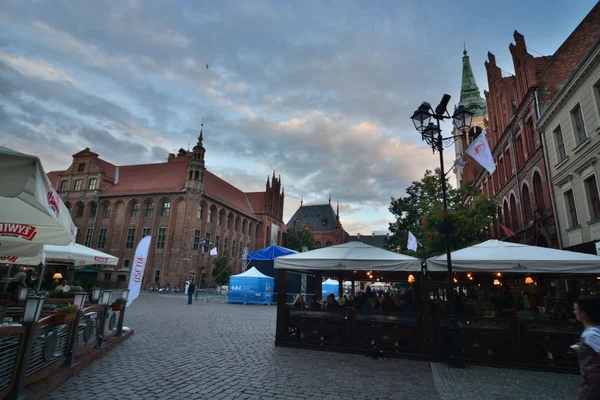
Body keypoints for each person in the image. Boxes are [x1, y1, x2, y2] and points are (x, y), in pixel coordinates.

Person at [574, 296, 600, 400]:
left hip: (593, 380)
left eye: (576, 309)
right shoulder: (595, 330)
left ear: (583, 312)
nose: (574, 312)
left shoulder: (591, 334)